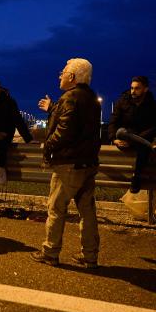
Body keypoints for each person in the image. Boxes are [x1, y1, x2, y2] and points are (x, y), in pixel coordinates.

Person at [30, 58, 101, 269]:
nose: (59, 76)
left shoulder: (70, 97)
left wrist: (47, 146)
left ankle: (50, 252)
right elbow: (77, 124)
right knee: (87, 211)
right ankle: (90, 256)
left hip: (69, 164)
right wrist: (53, 108)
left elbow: (65, 131)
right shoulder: (90, 97)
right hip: (88, 162)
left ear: (71, 77)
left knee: (56, 207)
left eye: (62, 73)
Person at [108, 76, 156, 193]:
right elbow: (113, 121)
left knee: (143, 148)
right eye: (132, 88)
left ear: (145, 89)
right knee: (121, 132)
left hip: (142, 139)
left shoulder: (153, 105)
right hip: (124, 138)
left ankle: (136, 178)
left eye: (137, 88)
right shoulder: (122, 101)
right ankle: (149, 145)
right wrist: (114, 139)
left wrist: (135, 139)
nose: (133, 91)